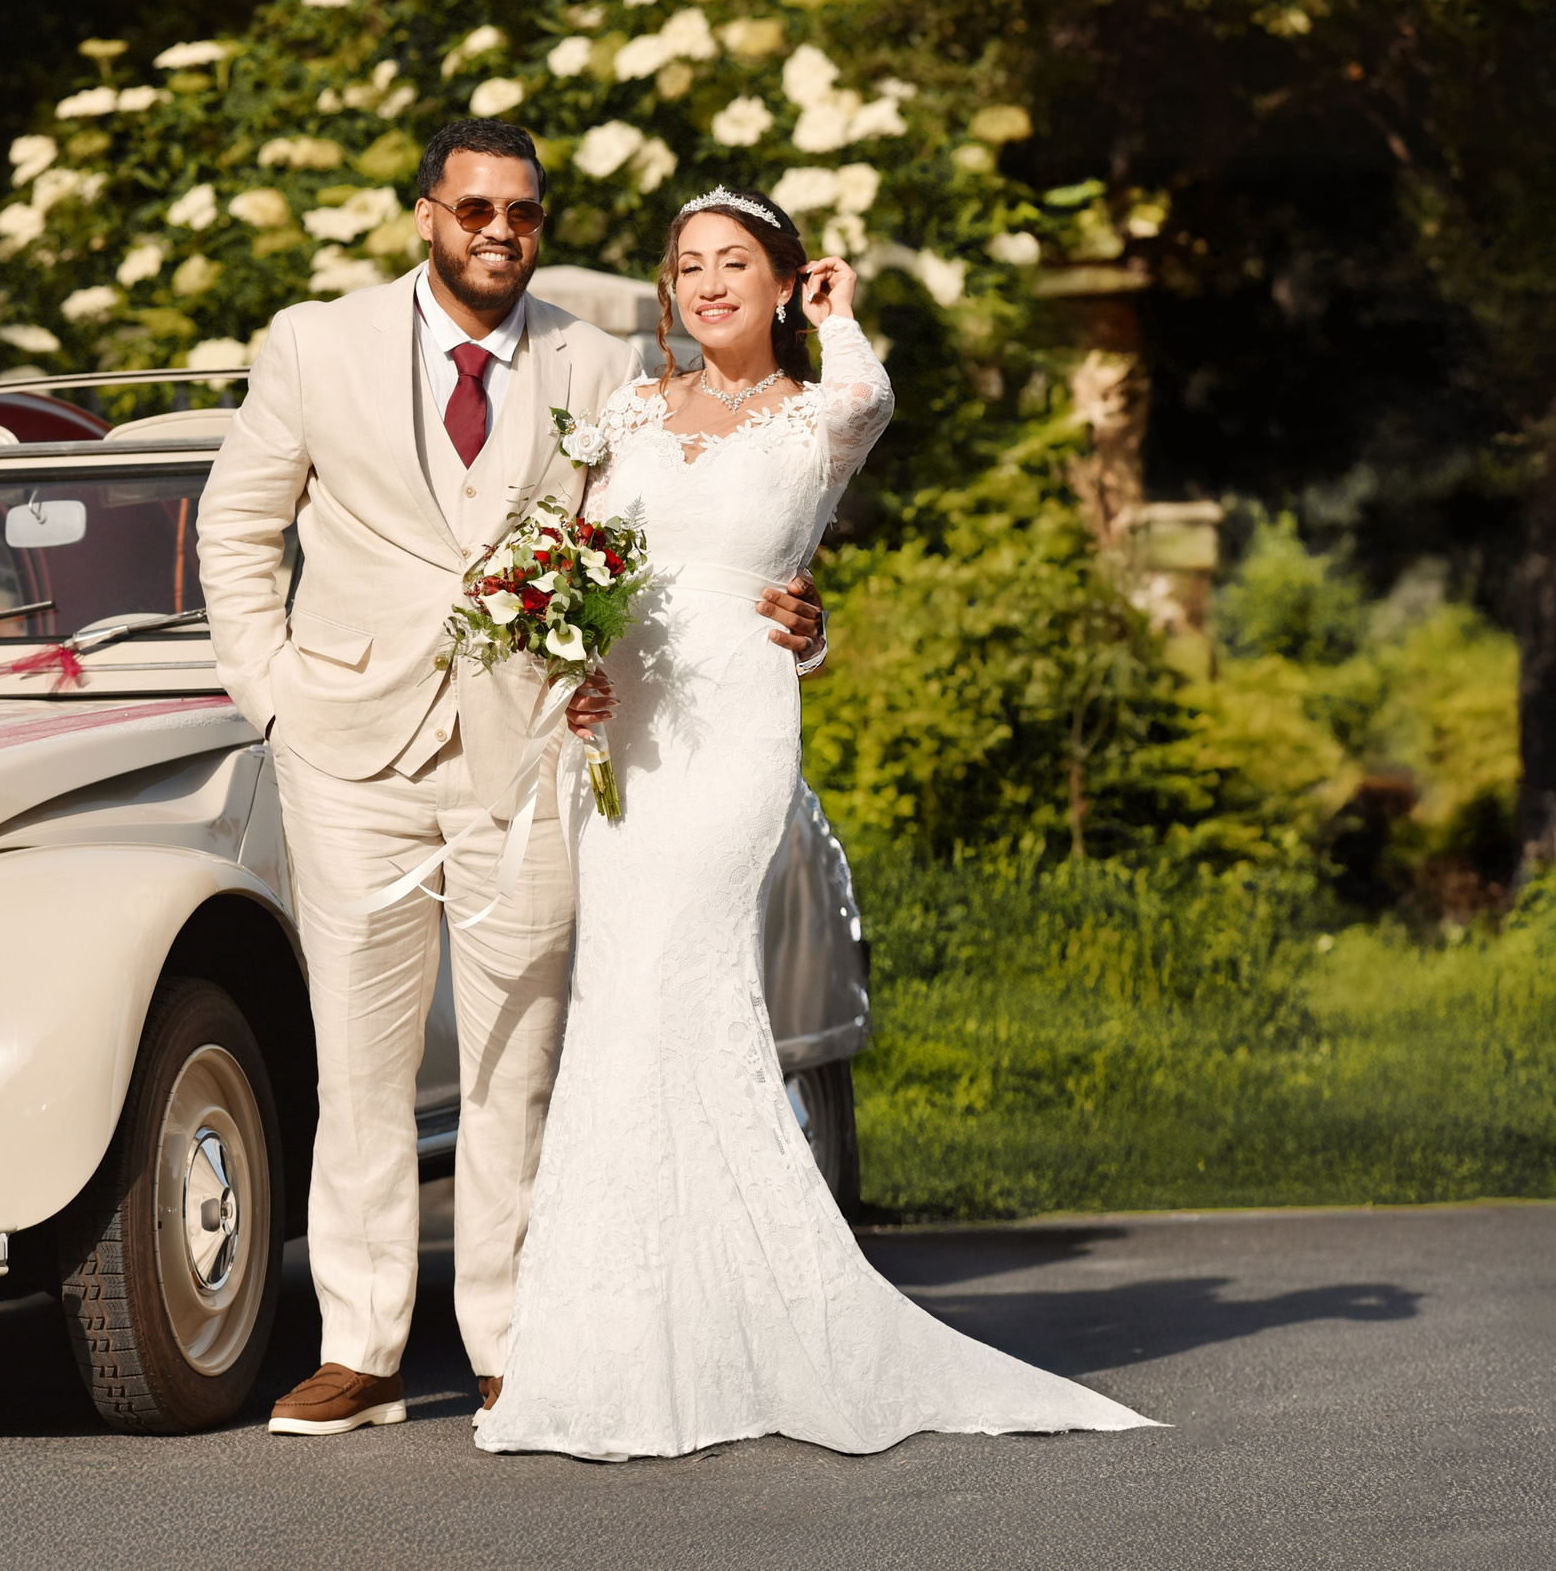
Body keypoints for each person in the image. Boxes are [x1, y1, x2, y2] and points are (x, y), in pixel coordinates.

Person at [475, 187, 1159, 1460]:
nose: (707, 284)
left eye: (736, 263)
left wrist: (838, 314)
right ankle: (620, 1335)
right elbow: (580, 560)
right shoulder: (625, 411)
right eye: (688, 266)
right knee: (622, 1004)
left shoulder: (815, 413)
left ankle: (737, 1324)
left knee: (685, 986)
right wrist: (572, 664)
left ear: (785, 280)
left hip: (732, 734)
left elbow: (868, 401)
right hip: (623, 734)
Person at [196, 122, 827, 1436]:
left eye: (523, 212)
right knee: (358, 1066)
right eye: (474, 206)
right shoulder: (316, 344)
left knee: (514, 1061)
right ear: (426, 213)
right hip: (349, 753)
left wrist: (789, 633)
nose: (500, 229)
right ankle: (360, 1350)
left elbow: (677, 544)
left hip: (535, 747)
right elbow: (239, 527)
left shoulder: (598, 365)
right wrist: (275, 703)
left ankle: (510, 1338)